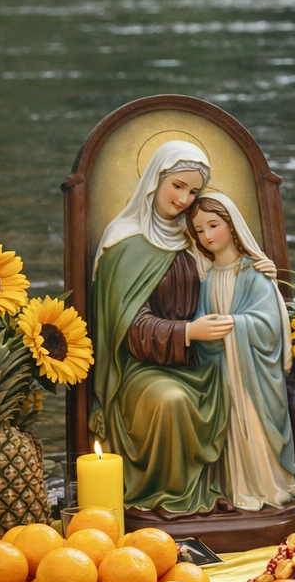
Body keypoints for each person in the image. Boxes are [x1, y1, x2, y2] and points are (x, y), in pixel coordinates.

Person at [89, 141, 276, 515]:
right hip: (138, 370)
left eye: (193, 191)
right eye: (178, 186)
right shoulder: (123, 241)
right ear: (155, 179)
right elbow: (127, 327)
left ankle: (247, 485)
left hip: (195, 360)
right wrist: (188, 333)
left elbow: (221, 277)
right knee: (171, 401)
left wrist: (257, 271)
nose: (184, 199)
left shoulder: (190, 236)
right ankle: (170, 497)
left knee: (240, 386)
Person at [185, 191, 295, 511]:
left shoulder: (254, 272)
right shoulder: (208, 279)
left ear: (232, 225)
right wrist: (204, 332)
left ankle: (266, 484)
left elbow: (268, 325)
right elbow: (200, 324)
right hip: (223, 372)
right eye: (199, 230)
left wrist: (233, 324)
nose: (207, 236)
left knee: (252, 426)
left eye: (213, 225)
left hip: (252, 377)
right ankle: (234, 486)